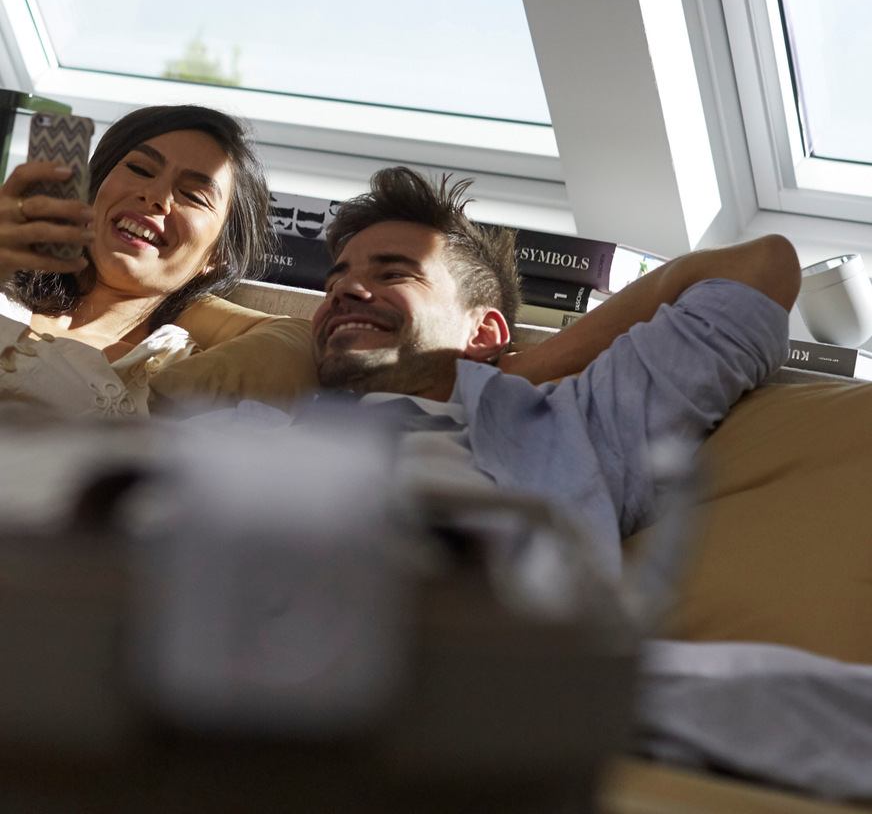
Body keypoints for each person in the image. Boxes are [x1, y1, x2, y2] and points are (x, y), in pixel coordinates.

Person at [310, 166, 800, 574]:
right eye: (335, 283)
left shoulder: (566, 433)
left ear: (482, 334)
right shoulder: (275, 423)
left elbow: (760, 266)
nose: (343, 292)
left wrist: (513, 370)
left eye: (394, 273)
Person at [0, 104, 277, 421]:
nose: (155, 194)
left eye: (193, 196)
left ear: (217, 256)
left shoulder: (181, 373)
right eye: (140, 169)